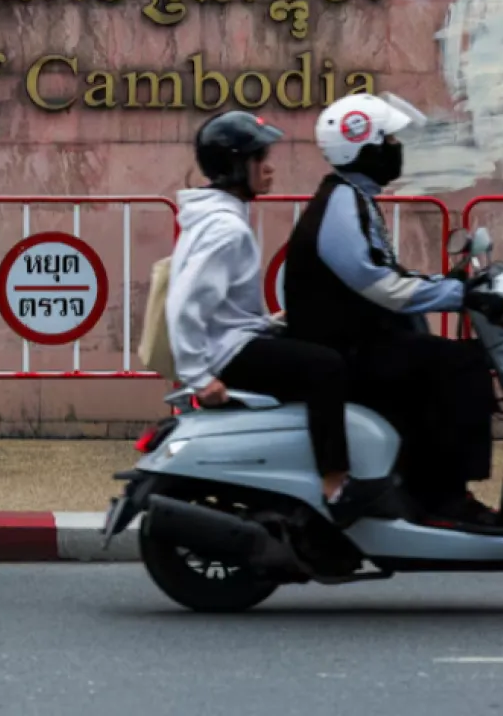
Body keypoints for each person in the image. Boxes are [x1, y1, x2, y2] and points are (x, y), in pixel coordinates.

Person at [281, 93, 503, 530]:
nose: (395, 148)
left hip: (357, 342)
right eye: (386, 139)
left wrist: (454, 285)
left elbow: (384, 274)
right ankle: (446, 498)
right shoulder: (343, 206)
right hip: (348, 350)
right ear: (362, 148)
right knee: (461, 365)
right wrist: (458, 295)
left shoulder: (352, 199)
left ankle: (424, 487)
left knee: (435, 360)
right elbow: (380, 285)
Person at [166, 110, 391, 526]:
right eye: (258, 159)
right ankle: (335, 483)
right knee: (326, 367)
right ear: (235, 166)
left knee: (317, 349)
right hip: (224, 355)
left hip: (230, 341)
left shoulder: (222, 216)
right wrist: (199, 376)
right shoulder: (225, 229)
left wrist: (270, 322)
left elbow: (222, 307)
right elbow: (185, 303)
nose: (268, 168)